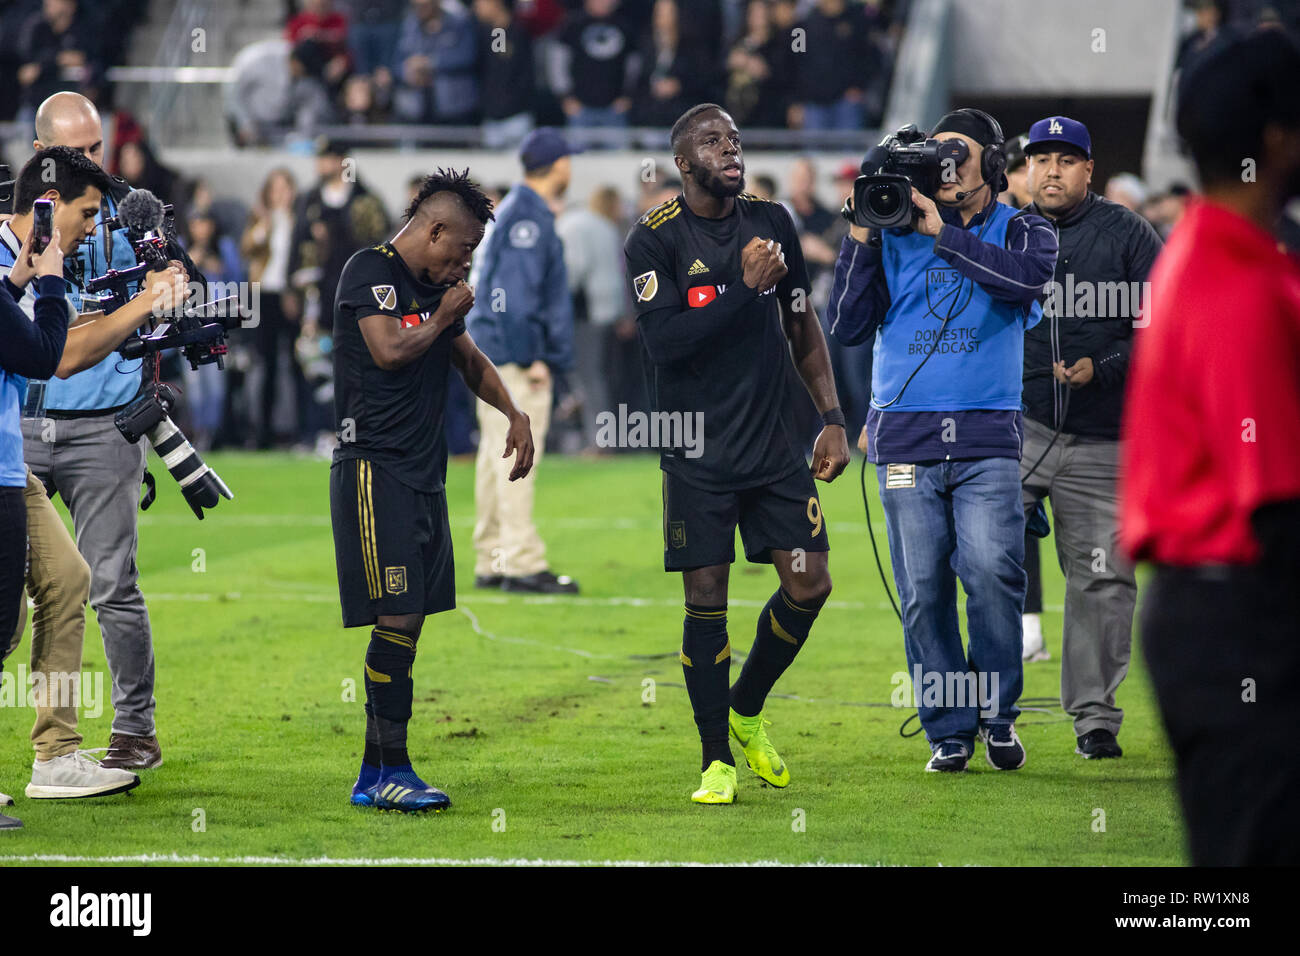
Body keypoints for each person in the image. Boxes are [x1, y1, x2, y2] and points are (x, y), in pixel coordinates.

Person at [624, 104, 850, 804]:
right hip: (697, 449)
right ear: (684, 162)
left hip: (776, 441)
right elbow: (666, 346)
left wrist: (833, 418)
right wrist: (737, 288)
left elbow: (800, 322)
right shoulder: (653, 239)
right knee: (706, 598)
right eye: (712, 141)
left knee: (810, 584)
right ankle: (715, 758)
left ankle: (745, 707)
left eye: (735, 139)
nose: (731, 149)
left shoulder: (773, 221)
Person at [828, 108, 1058, 773]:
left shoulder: (1025, 226)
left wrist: (943, 236)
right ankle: (949, 731)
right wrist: (861, 236)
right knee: (923, 589)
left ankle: (998, 715)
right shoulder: (890, 224)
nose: (948, 170)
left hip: (988, 438)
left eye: (962, 156)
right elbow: (845, 324)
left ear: (991, 161)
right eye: (939, 157)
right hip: (904, 440)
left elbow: (1026, 282)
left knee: (992, 576)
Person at [1120, 29, 1300, 865]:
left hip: (1216, 613)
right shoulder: (1235, 281)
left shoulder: (1213, 255)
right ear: (1275, 140)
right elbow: (1278, 503)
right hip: (1244, 619)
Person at [330, 168, 535, 812]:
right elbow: (390, 351)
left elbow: (468, 359)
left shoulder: (430, 286)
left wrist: (515, 412)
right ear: (435, 228)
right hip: (374, 470)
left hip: (424, 473)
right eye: (463, 247)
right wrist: (445, 313)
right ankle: (391, 770)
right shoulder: (369, 271)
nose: (465, 260)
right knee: (396, 617)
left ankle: (376, 773)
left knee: (410, 621)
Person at [19, 93, 197, 773]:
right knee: (34, 594)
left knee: (110, 586)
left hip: (104, 425)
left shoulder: (136, 215)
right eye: (82, 151)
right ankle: (54, 745)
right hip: (25, 423)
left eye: (100, 147)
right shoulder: (18, 221)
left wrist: (174, 283)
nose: (97, 162)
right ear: (43, 155)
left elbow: (185, 282)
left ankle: (133, 729)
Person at [1020, 116, 1162, 758]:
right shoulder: (1001, 231)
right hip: (1012, 429)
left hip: (1104, 437)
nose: (1051, 169)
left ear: (1088, 170)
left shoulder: (1129, 233)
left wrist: (1101, 369)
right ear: (1024, 170)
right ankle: (985, 711)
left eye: (1065, 159)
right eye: (1040, 158)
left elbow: (1162, 328)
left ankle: (1095, 719)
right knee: (979, 563)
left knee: (1102, 578)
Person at [466, 128, 581, 594]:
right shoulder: (527, 218)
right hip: (514, 358)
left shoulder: (513, 211)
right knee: (518, 454)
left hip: (493, 353)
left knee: (495, 456)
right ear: (558, 165)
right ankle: (518, 562)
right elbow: (512, 299)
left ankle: (493, 557)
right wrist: (533, 355)